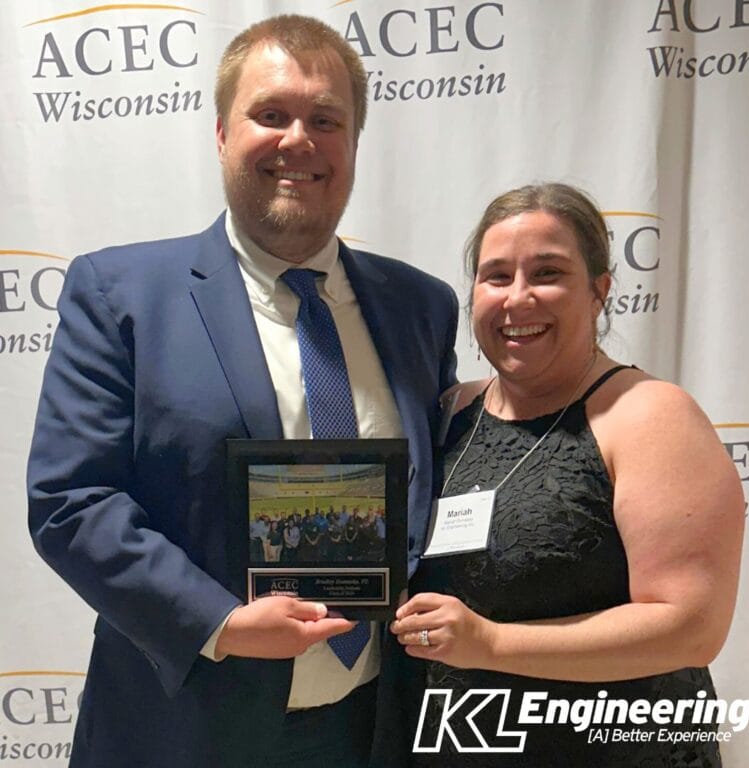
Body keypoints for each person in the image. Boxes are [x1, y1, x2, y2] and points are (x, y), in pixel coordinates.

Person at [26, 14, 458, 768]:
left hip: (376, 725)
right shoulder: (121, 295)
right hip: (187, 726)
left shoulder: (420, 306)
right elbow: (71, 502)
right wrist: (220, 622)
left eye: (326, 120)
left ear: (354, 143)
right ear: (222, 132)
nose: (300, 140)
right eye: (271, 114)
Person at [389, 183, 744, 766]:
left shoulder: (649, 416)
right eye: (496, 276)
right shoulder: (451, 412)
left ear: (600, 291)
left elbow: (690, 627)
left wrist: (493, 644)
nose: (517, 299)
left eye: (547, 273)